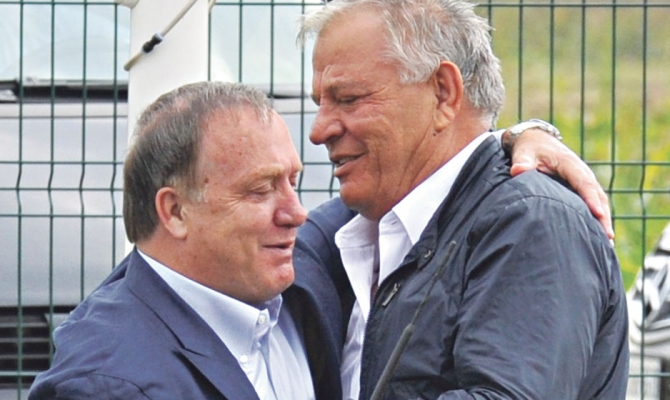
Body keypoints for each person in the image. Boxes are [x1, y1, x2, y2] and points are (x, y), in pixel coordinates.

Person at [297, 0, 629, 398]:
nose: (319, 131)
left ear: (443, 92)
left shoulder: (531, 222)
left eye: (349, 99)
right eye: (320, 103)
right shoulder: (359, 229)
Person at [28, 82, 343, 400]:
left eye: (292, 182)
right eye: (260, 189)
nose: (297, 213)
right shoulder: (111, 385)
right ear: (175, 211)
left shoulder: (298, 281)